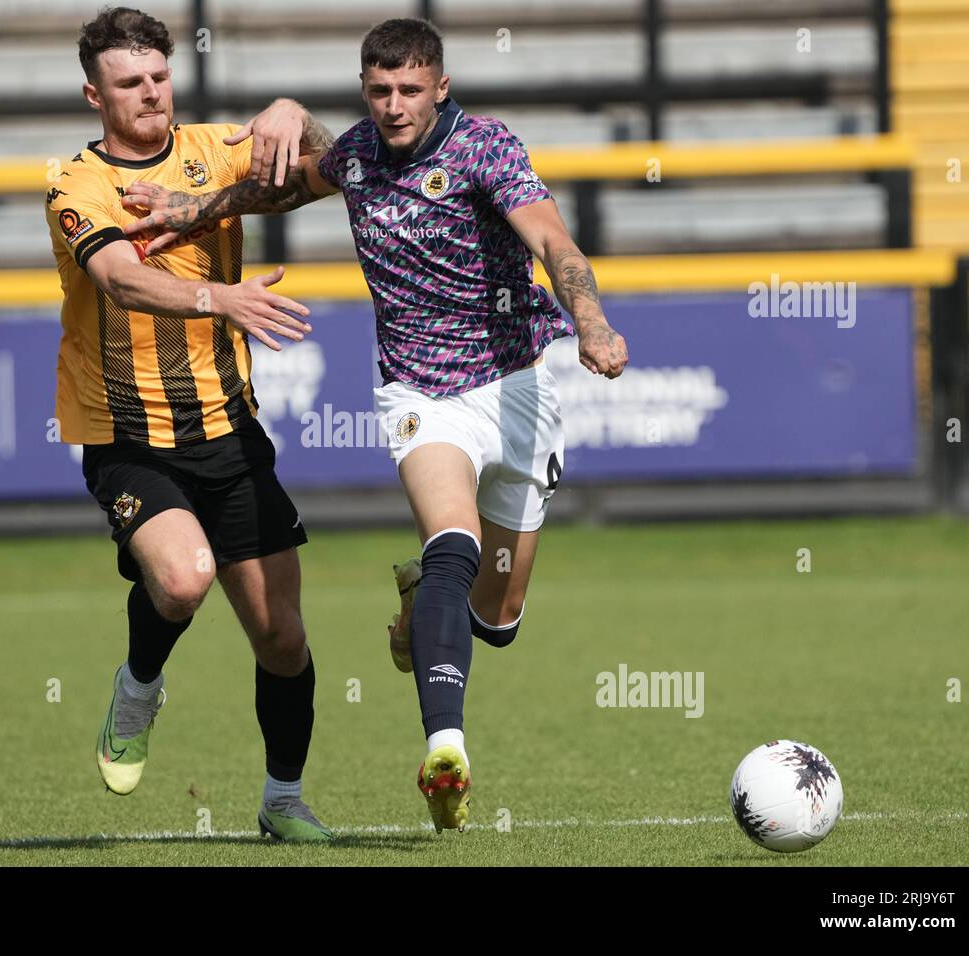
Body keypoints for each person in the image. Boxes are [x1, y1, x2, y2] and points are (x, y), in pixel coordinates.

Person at [120, 17, 628, 833]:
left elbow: (554, 244)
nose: (394, 106)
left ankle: (422, 611)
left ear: (441, 88)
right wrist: (190, 206)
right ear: (366, 89)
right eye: (380, 90)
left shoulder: (486, 148)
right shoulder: (358, 153)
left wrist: (593, 323)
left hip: (518, 386)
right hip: (420, 395)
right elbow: (282, 186)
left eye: (410, 90)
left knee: (495, 620)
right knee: (450, 545)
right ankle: (446, 752)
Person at [45, 7, 336, 841]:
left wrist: (292, 114)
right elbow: (120, 280)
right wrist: (224, 297)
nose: (150, 95)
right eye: (129, 83)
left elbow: (338, 167)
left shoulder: (214, 150)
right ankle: (138, 688)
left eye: (159, 78)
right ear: (94, 94)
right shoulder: (76, 185)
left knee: (283, 637)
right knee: (181, 578)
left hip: (230, 434)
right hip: (128, 439)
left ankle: (283, 801)